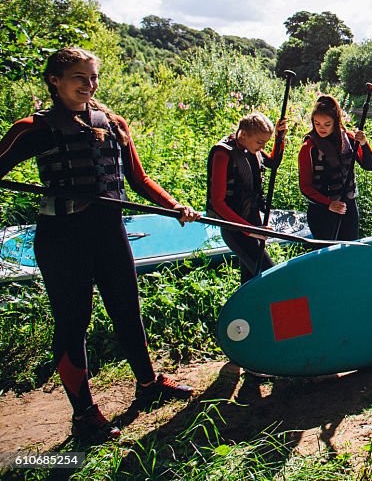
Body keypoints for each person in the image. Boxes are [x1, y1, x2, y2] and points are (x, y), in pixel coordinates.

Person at [0, 48, 199, 443]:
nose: (88, 85)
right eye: (79, 77)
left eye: (93, 77)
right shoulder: (34, 128)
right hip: (62, 238)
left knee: (127, 308)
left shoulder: (112, 123)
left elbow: (138, 180)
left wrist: (173, 206)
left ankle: (147, 384)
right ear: (54, 80)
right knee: (74, 322)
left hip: (109, 232)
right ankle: (84, 415)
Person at [206, 111, 287, 286]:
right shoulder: (223, 154)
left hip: (253, 223)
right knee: (270, 277)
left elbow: (272, 163)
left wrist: (279, 138)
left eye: (265, 143)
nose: (262, 147)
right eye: (260, 142)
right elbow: (218, 203)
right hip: (236, 230)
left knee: (250, 282)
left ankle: (249, 313)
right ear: (243, 134)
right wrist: (249, 229)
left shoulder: (250, 148)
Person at [298, 94, 372, 240]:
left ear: (336, 121)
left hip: (348, 208)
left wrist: (364, 144)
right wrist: (329, 204)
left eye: (327, 124)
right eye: (317, 123)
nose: (321, 128)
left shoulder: (349, 138)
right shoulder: (308, 148)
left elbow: (369, 165)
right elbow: (305, 187)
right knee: (327, 257)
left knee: (350, 253)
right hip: (322, 211)